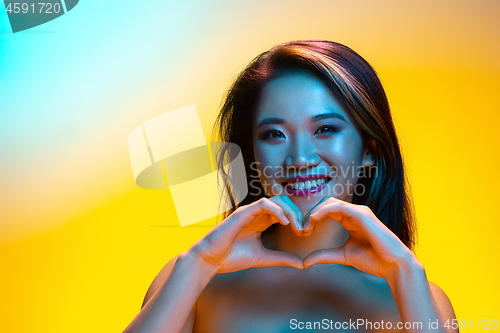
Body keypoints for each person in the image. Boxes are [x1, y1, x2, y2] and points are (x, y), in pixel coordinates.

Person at [122, 40, 457, 333]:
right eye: (274, 134)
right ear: (251, 152)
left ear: (369, 150)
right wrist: (199, 263)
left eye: (325, 129)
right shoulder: (193, 281)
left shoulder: (415, 292)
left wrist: (404, 270)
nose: (299, 159)